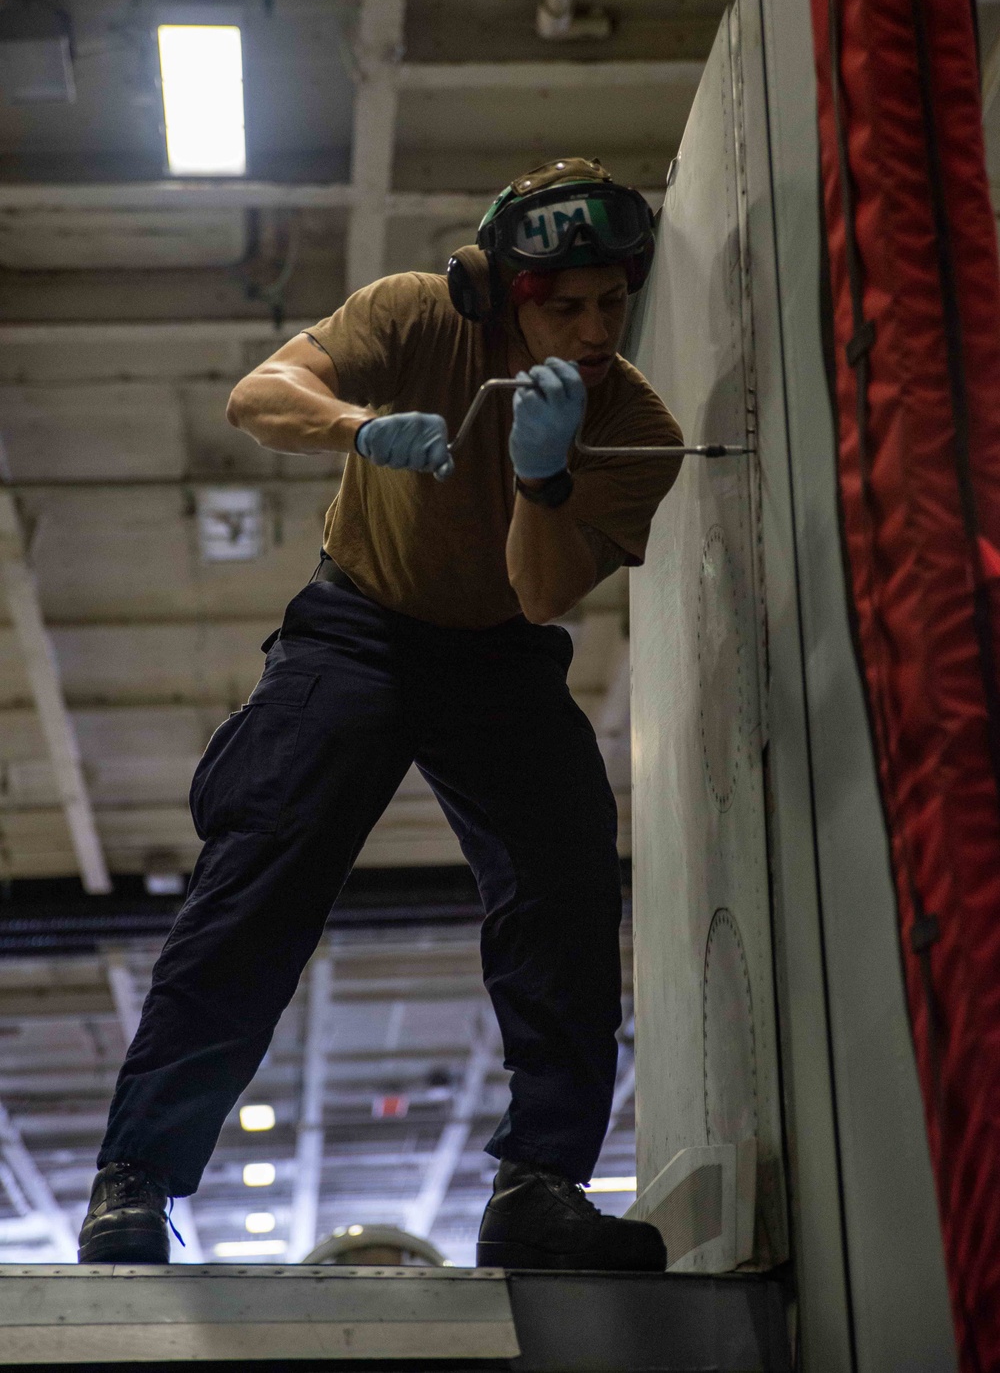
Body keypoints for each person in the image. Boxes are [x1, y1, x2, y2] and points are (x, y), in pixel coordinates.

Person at [78, 157, 684, 1271]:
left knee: (565, 885)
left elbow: (544, 594)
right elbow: (257, 397)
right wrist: (357, 426)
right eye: (565, 306)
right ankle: (135, 1179)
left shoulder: (635, 424)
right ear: (504, 295)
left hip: (500, 654)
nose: (595, 330)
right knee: (260, 876)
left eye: (611, 303)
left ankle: (539, 1184)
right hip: (358, 629)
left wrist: (542, 479)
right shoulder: (416, 313)